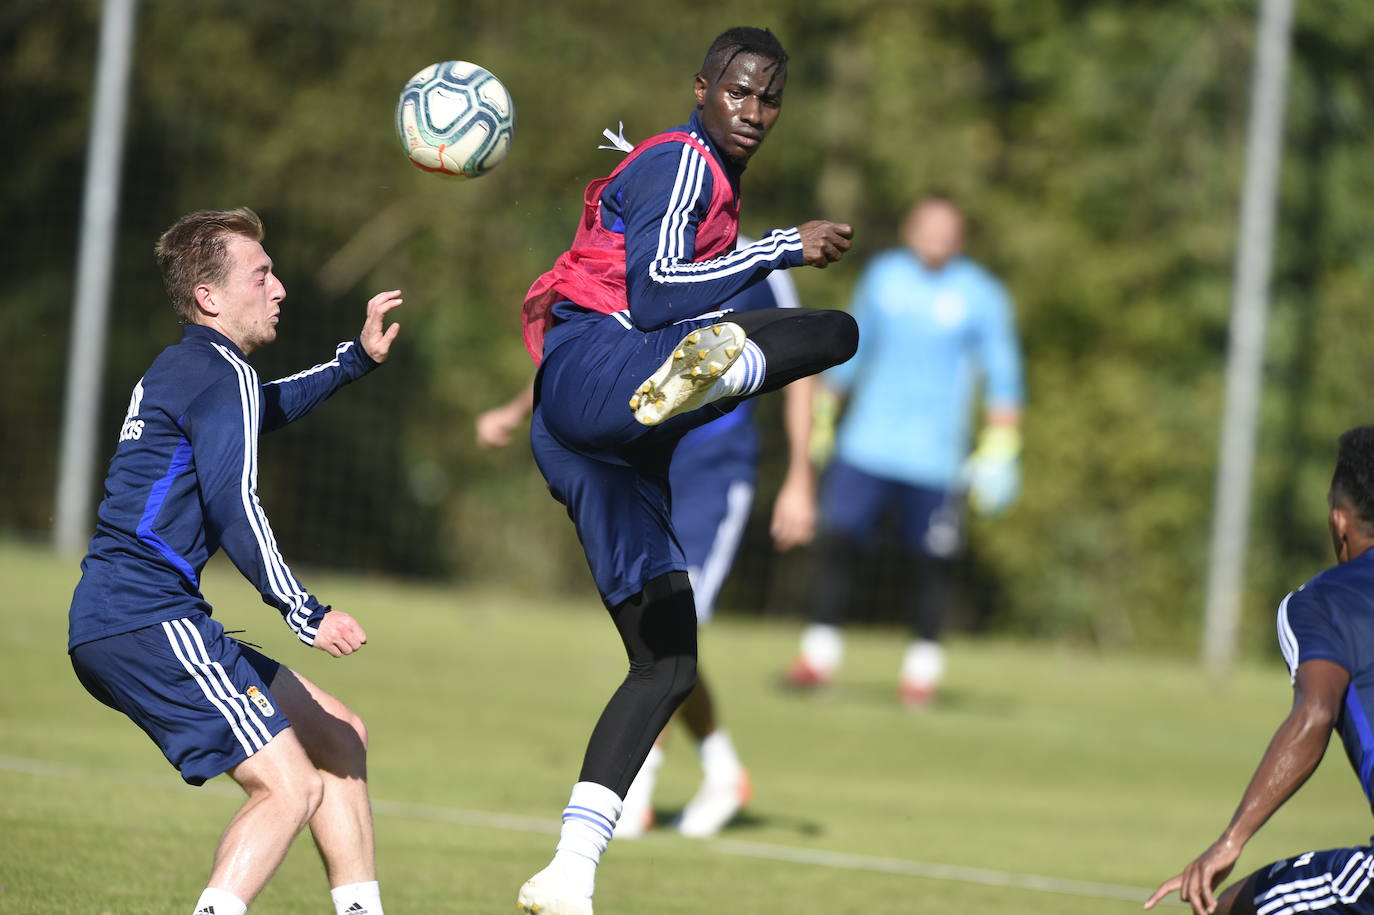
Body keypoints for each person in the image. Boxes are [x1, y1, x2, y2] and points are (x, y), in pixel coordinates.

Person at [513, 26, 857, 915]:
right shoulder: (681, 160)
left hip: (595, 436)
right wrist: (784, 245)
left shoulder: (711, 180)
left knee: (665, 664)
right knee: (832, 330)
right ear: (701, 89)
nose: (754, 111)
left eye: (769, 98)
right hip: (601, 378)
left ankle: (569, 870)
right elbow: (659, 288)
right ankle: (700, 369)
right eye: (739, 91)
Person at [66, 207, 401, 915]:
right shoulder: (217, 372)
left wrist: (354, 362)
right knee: (289, 786)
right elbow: (235, 507)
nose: (279, 288)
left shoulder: (196, 369)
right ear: (210, 297)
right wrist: (306, 610)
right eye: (262, 274)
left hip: (132, 617)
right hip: (145, 617)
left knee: (338, 735)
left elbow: (259, 409)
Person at [477, 243, 818, 841]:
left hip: (715, 473)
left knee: (671, 628)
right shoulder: (650, 261)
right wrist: (516, 409)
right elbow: (595, 361)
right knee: (663, 629)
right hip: (642, 462)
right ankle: (722, 771)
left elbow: (802, 371)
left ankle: (633, 787)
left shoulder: (759, 266)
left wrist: (799, 477)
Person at [782, 196, 1024, 709]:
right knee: (839, 544)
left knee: (932, 563)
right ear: (909, 228)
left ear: (960, 236)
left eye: (946, 227)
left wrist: (1002, 446)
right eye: (927, 225)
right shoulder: (884, 277)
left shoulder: (981, 295)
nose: (935, 235)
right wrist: (823, 415)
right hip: (866, 445)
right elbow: (852, 346)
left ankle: (922, 671)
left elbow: (1004, 373)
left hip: (937, 459)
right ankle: (819, 656)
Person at [1146, 425, 1374, 915]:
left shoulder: (1321, 604)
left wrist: (1231, 839)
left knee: (1235, 908)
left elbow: (1315, 713)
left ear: (1339, 521)